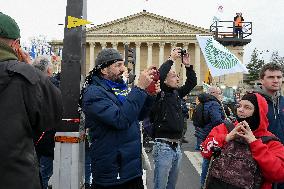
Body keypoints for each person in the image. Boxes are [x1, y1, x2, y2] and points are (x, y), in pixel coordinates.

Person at [0, 12, 62, 189]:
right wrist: (28, 70)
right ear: (16, 45)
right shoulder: (27, 76)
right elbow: (53, 117)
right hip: (15, 177)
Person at [81, 48, 159, 189]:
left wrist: (149, 95)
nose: (123, 69)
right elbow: (120, 120)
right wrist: (140, 88)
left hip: (131, 169)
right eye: (118, 65)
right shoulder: (93, 93)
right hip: (112, 173)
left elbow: (137, 116)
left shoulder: (121, 89)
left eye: (123, 64)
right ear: (104, 70)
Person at [201, 93, 284, 189]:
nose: (240, 110)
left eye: (247, 107)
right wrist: (225, 138)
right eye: (239, 106)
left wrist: (254, 143)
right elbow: (204, 150)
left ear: (258, 112)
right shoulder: (225, 128)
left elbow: (279, 174)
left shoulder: (270, 141)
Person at [150, 48, 197, 189]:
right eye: (174, 76)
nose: (178, 78)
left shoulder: (176, 93)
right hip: (163, 146)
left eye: (178, 76)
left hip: (176, 146)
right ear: (165, 81)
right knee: (161, 185)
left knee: (171, 185)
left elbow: (192, 82)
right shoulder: (160, 93)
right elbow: (159, 76)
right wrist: (171, 59)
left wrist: (188, 66)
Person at [32, 56, 60, 189]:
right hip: (50, 139)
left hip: (36, 139)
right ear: (49, 70)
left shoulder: (28, 85)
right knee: (49, 173)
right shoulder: (55, 86)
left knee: (41, 172)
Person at [255, 63, 284, 189]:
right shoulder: (253, 101)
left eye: (279, 77)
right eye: (271, 77)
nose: (276, 80)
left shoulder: (283, 101)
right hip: (263, 158)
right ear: (262, 80)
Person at [195, 86, 226, 188]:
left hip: (205, 133)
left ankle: (203, 183)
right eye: (219, 93)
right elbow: (217, 120)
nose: (221, 95)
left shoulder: (206, 102)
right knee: (208, 161)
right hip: (213, 134)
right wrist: (227, 123)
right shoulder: (214, 104)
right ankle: (204, 184)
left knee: (206, 158)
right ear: (213, 93)